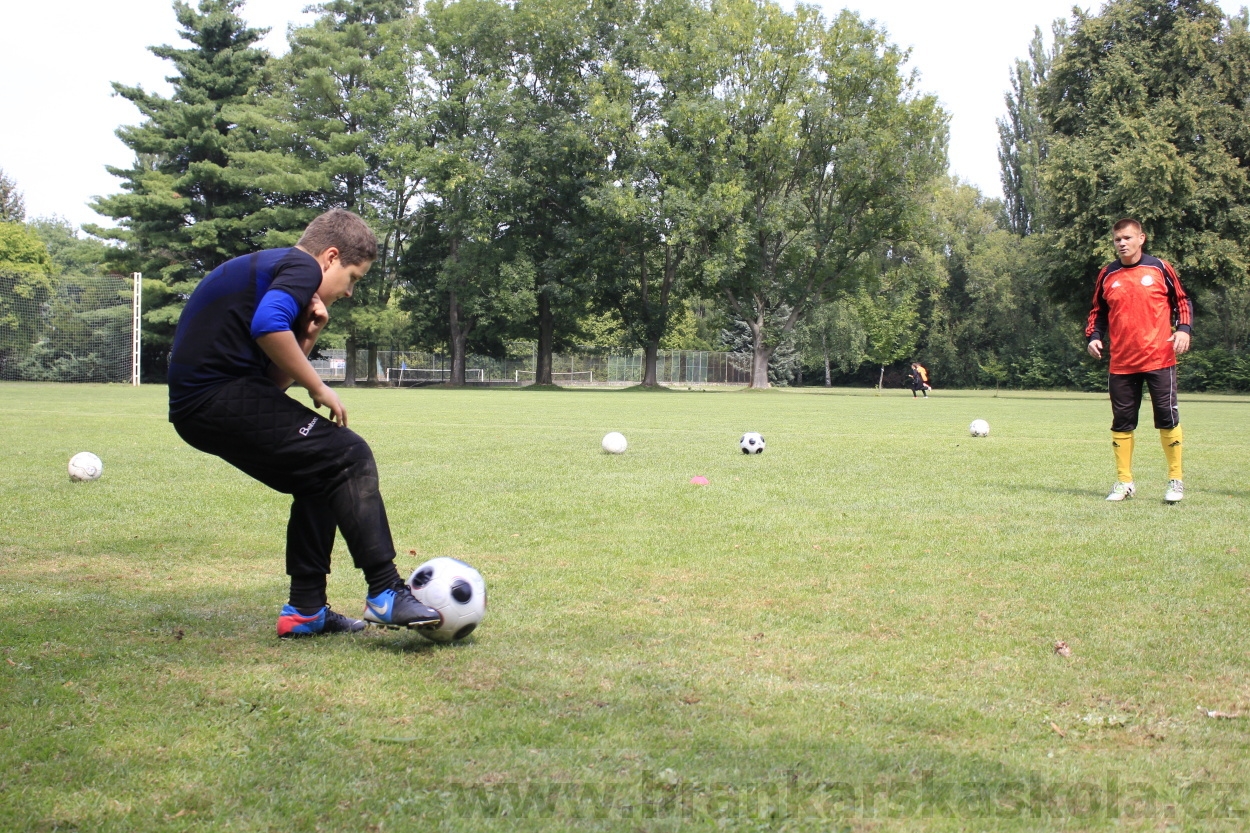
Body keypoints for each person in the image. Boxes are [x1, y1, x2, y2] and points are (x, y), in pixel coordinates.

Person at [168, 209, 443, 636]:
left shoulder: (272, 270)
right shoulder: (298, 265)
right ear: (330, 257)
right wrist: (319, 387)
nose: (350, 291)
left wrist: (310, 332)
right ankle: (386, 591)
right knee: (349, 453)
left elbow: (270, 386)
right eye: (353, 277)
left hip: (206, 404)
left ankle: (305, 611)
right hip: (214, 397)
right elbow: (267, 325)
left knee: (320, 476)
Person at [1085, 218, 1192, 503]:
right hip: (1121, 362)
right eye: (1117, 239)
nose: (1122, 243)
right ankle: (1124, 482)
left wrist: (1183, 329)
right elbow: (1098, 311)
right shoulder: (1107, 274)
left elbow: (1182, 301)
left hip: (1159, 358)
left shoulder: (1159, 267)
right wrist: (1093, 336)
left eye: (1127, 238)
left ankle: (1175, 480)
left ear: (1141, 238)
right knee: (1122, 422)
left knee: (1167, 419)